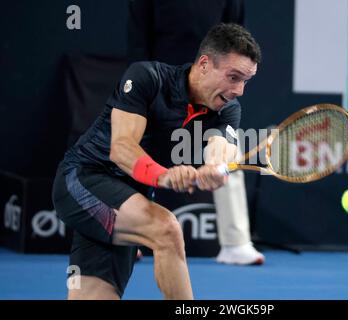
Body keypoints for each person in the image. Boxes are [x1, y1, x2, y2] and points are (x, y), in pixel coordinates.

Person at [52, 23, 261, 299]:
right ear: (204, 64)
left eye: (246, 81)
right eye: (234, 77)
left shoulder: (227, 109)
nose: (240, 90)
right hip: (83, 179)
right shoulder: (147, 78)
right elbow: (122, 148)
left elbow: (220, 147)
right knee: (166, 228)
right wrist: (164, 175)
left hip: (127, 202)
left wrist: (214, 169)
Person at [127, 0, 264, 265]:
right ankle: (129, 238)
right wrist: (145, 90)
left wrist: (214, 163)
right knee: (133, 150)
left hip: (211, 86)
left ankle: (236, 243)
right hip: (160, 85)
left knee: (225, 148)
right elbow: (137, 41)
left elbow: (238, 39)